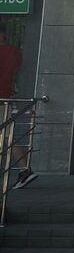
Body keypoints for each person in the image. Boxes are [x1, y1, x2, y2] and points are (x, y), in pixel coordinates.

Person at [0, 26, 32, 188]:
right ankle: (24, 170)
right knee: (7, 137)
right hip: (5, 98)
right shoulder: (14, 52)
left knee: (6, 137)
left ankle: (25, 170)